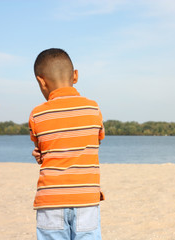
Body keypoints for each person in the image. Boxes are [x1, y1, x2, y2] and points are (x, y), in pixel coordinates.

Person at [29, 48, 105, 240]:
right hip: (86, 198)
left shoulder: (37, 114)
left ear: (41, 81)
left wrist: (42, 154)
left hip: (51, 200)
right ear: (76, 76)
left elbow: (43, 146)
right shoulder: (93, 108)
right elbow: (96, 139)